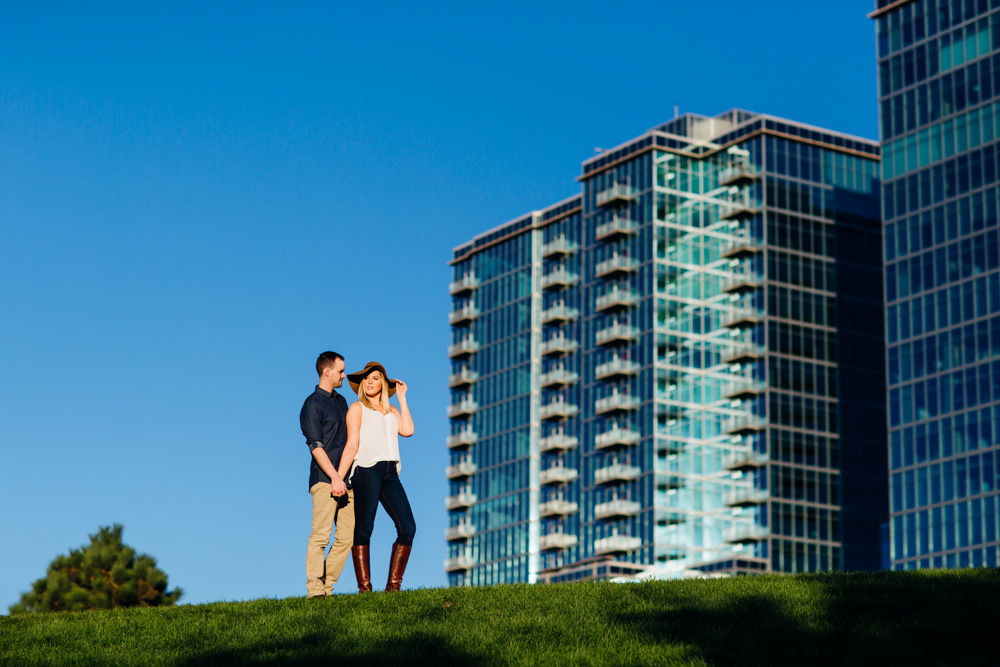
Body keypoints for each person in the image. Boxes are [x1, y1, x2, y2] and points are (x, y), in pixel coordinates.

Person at [333, 361, 415, 592]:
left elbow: (408, 430)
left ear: (383, 384)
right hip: (365, 469)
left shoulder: (392, 411)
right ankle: (365, 589)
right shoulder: (357, 408)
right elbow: (351, 445)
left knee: (408, 527)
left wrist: (401, 397)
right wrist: (339, 478)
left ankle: (393, 587)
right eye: (367, 378)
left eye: (376, 378)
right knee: (364, 528)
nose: (370, 381)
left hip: (390, 472)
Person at [299, 351, 355, 598]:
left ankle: (327, 586)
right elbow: (315, 446)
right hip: (324, 481)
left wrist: (343, 477)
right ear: (327, 372)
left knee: (347, 537)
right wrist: (334, 477)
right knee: (321, 536)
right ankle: (315, 591)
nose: (344, 375)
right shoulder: (312, 404)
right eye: (341, 371)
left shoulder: (342, 402)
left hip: (347, 480)